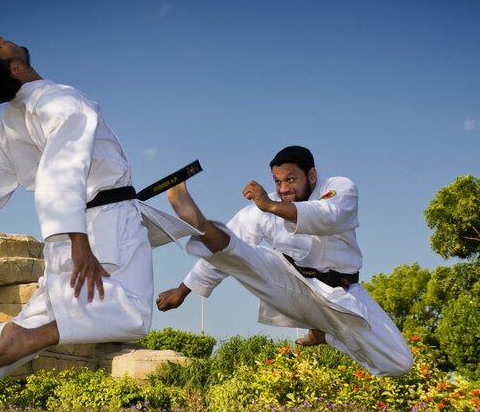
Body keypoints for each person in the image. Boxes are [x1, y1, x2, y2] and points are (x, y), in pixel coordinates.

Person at [0, 37, 194, 412]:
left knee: (36, 318)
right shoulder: (62, 101)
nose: (0, 38)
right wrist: (79, 240)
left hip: (64, 236)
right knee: (131, 314)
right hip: (99, 229)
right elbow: (61, 171)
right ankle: (34, 337)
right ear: (15, 68)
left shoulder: (6, 127)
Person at [157, 145, 413, 377]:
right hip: (291, 282)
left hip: (343, 294)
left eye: (290, 179)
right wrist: (182, 290)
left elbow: (329, 216)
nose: (283, 189)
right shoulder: (262, 209)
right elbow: (239, 233)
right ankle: (202, 225)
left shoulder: (339, 187)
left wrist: (270, 206)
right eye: (277, 181)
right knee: (245, 257)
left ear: (311, 175)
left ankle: (325, 335)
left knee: (399, 364)